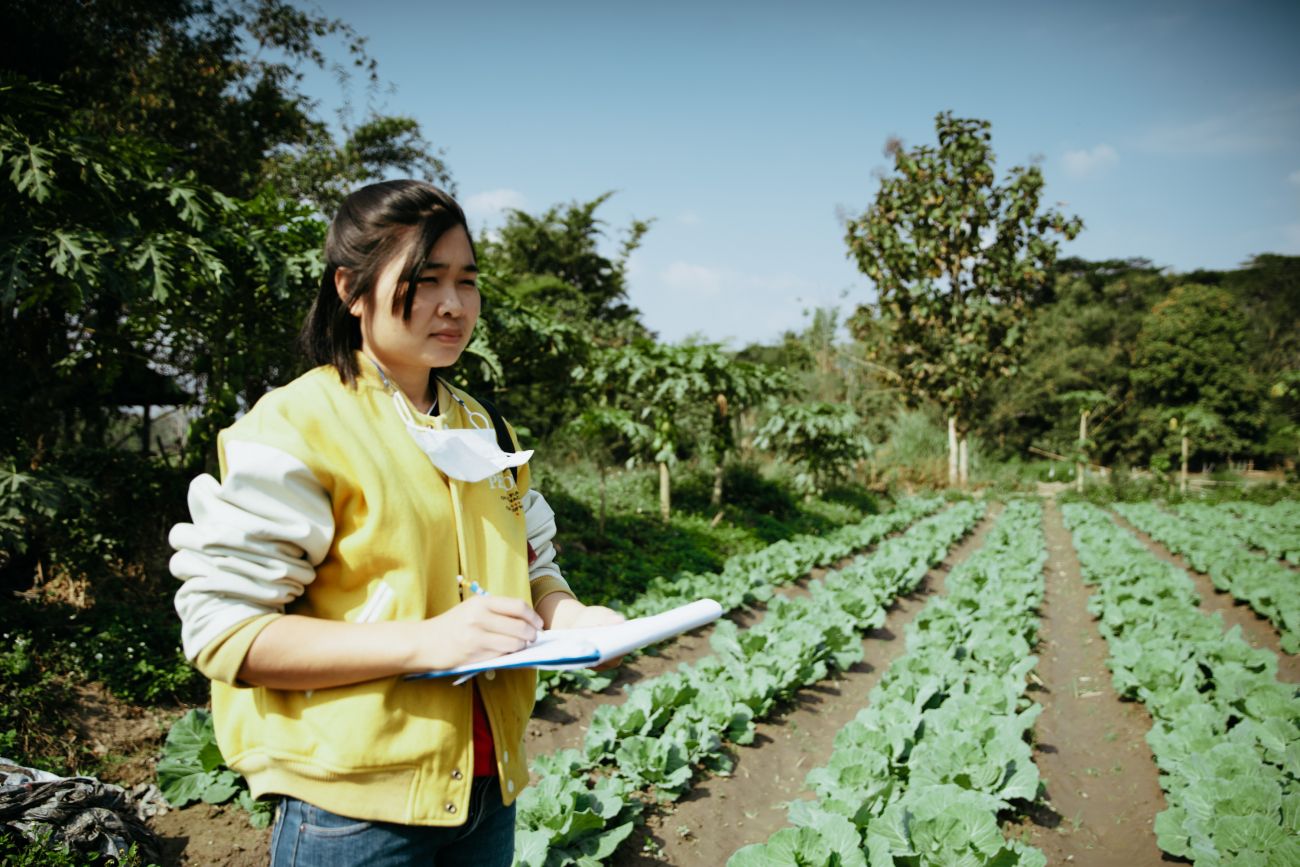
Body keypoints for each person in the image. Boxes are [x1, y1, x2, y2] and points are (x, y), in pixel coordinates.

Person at [169, 180, 624, 866]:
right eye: (426, 279)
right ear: (351, 288)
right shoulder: (300, 425)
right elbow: (226, 632)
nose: (453, 304)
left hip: (486, 794)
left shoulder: (484, 426)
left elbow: (533, 565)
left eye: (467, 281)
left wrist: (573, 618)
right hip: (353, 813)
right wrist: (426, 643)